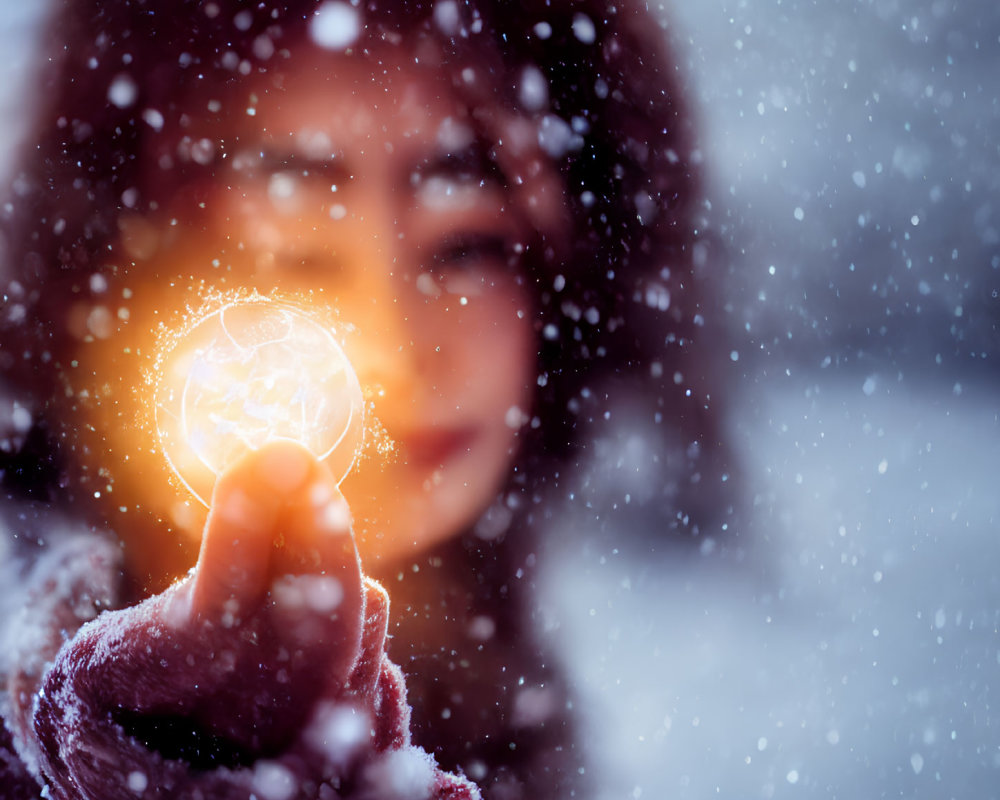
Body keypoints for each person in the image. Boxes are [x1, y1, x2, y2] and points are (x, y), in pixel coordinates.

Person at [0, 0, 733, 797]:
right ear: (106, 278)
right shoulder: (37, 681)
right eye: (289, 251)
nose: (393, 345)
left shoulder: (516, 707)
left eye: (467, 246)